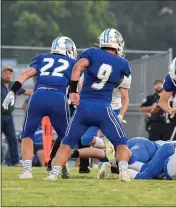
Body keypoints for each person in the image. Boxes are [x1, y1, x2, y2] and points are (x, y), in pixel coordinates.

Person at [45, 28, 132, 182]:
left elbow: (78, 67)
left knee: (67, 143)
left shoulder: (91, 53)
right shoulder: (123, 63)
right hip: (104, 109)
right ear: (117, 43)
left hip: (84, 108)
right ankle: (124, 172)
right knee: (121, 143)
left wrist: (73, 91)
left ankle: (54, 173)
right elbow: (119, 81)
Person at [2, 36, 77, 179]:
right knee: (67, 138)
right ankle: (56, 171)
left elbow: (25, 75)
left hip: (38, 96)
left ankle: (27, 172)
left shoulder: (41, 58)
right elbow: (77, 85)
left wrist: (12, 91)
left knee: (27, 134)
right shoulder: (73, 63)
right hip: (58, 98)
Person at [1, 66, 32, 166]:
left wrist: (40, 92)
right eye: (6, 73)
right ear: (2, 74)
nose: (8, 75)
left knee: (12, 139)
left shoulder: (13, 85)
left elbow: (26, 92)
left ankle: (15, 161)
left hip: (8, 116)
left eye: (10, 73)